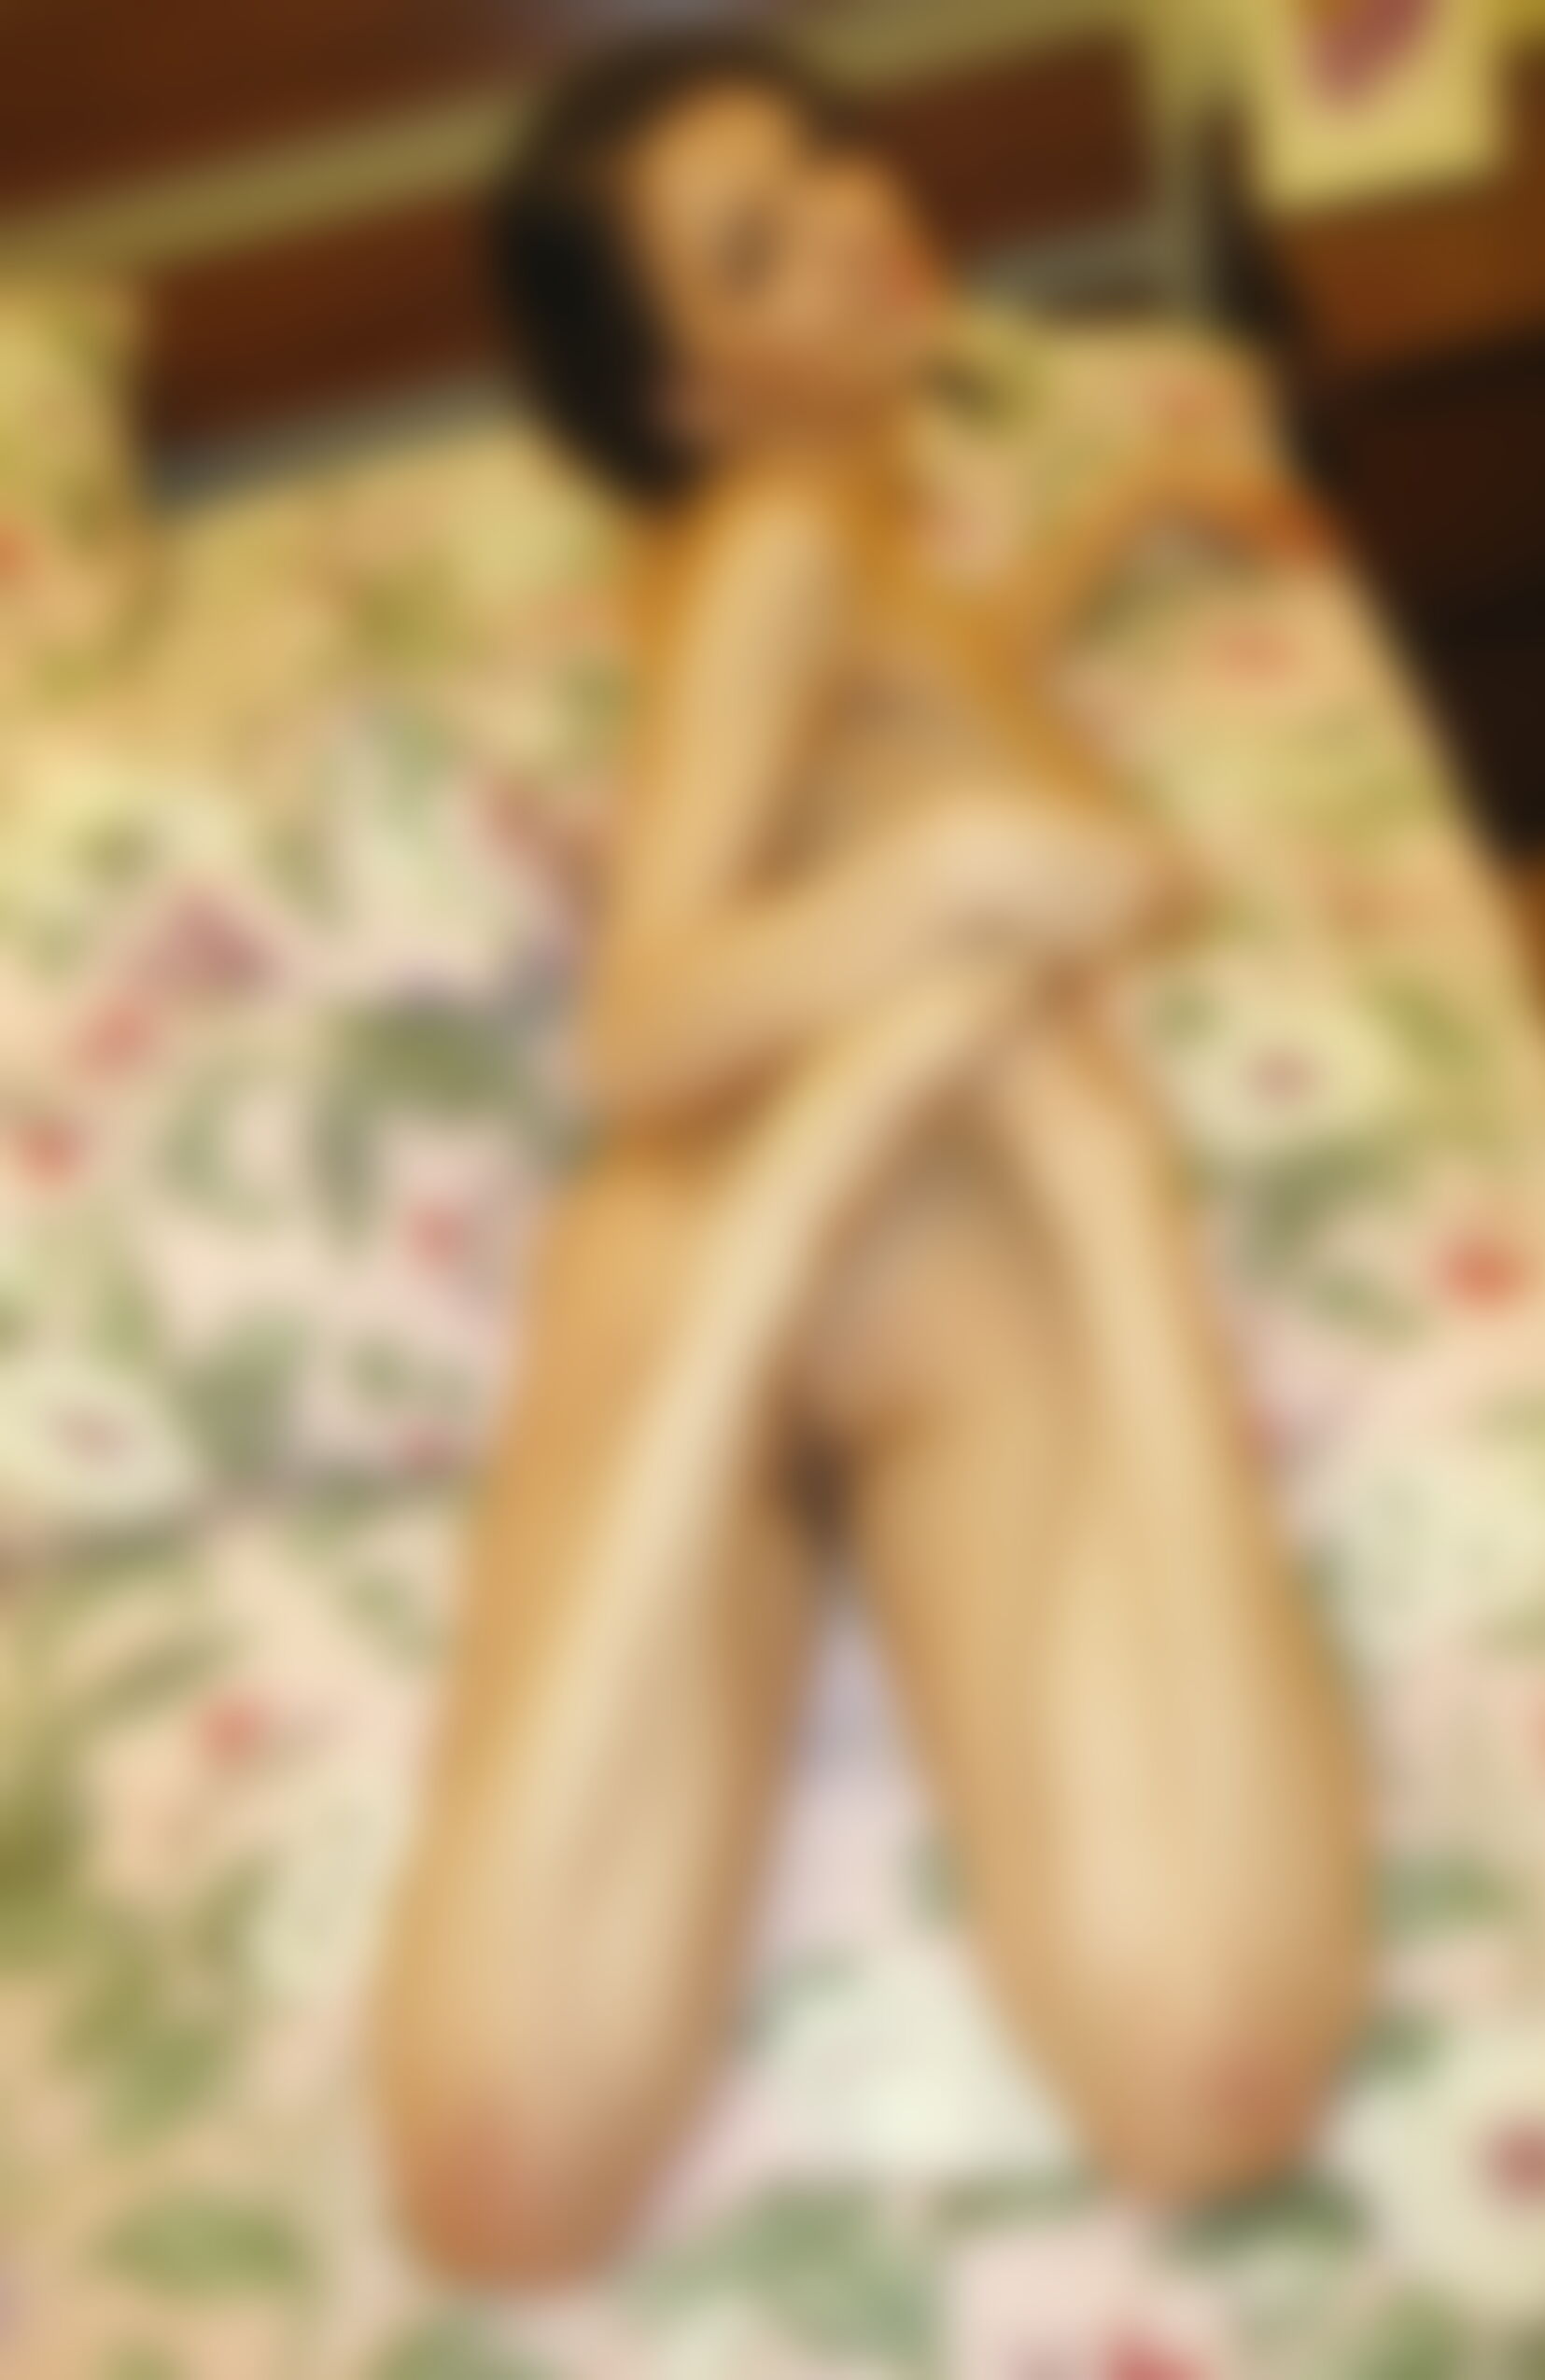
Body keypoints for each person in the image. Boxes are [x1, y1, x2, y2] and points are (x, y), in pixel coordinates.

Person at [372, 31, 1369, 2286]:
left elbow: (923, 687)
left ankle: (762, 1291)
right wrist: (957, 887)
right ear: (691, 391)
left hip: (709, 1236)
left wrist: (1128, 519)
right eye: (754, 249)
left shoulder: (820, 520)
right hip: (913, 1195)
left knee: (504, 2179)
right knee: (1208, 2074)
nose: (850, 216)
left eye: (824, 152)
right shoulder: (783, 545)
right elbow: (637, 1016)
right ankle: (954, 1220)